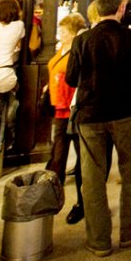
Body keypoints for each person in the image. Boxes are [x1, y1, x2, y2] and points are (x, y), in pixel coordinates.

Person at [65, 0, 131, 257]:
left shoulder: (82, 40)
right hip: (123, 111)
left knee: (92, 178)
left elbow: (71, 78)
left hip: (90, 115)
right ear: (121, 10)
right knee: (130, 171)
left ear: (96, 12)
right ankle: (130, 230)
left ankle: (99, 239)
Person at [46, 12, 86, 223]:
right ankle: (51, 196)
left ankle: (82, 201)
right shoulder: (62, 49)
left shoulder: (78, 52)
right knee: (57, 154)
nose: (60, 34)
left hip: (74, 110)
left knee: (81, 157)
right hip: (59, 109)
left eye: (63, 31)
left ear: (73, 33)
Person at [0, 0, 26, 153]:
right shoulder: (18, 26)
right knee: (15, 98)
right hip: (6, 76)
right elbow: (21, 44)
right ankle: (5, 136)